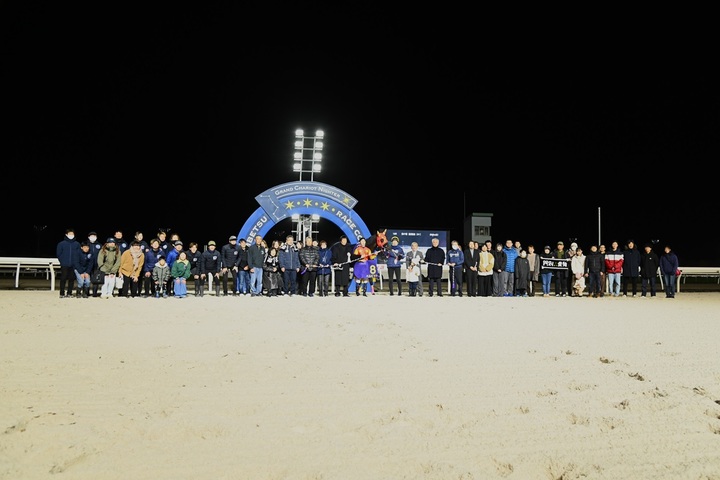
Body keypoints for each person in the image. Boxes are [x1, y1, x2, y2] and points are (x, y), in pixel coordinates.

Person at [56, 228, 80, 298]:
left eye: (72, 234)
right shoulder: (61, 244)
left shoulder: (77, 244)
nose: (71, 235)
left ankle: (69, 293)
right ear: (66, 234)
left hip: (73, 265)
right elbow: (59, 254)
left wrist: (76, 262)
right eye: (69, 234)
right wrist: (62, 261)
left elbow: (79, 254)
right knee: (63, 278)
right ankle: (62, 293)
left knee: (71, 279)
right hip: (64, 264)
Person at [87, 231, 102, 297]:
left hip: (97, 264)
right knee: (87, 279)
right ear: (88, 237)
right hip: (88, 265)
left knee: (96, 279)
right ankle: (86, 292)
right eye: (91, 236)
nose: (93, 237)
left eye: (94, 236)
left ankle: (95, 292)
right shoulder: (86, 244)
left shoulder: (99, 245)